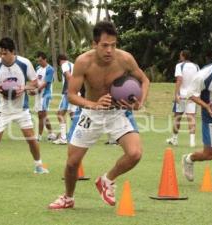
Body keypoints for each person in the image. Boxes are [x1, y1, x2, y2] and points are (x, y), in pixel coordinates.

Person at [48, 21, 150, 209]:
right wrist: (93, 104)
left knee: (135, 154)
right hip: (90, 114)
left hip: (118, 113)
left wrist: (139, 102)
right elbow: (71, 95)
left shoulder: (125, 59)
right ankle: (68, 198)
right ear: (94, 44)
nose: (110, 50)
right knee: (72, 163)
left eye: (113, 45)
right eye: (104, 45)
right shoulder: (83, 62)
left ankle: (106, 180)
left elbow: (144, 80)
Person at [0, 37, 48, 174]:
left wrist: (23, 88)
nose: (2, 56)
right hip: (3, 108)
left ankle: (38, 165)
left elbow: (35, 83)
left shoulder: (24, 63)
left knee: (31, 139)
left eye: (5, 53)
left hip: (21, 109)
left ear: (12, 52)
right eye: (0, 53)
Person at [182, 41, 212, 182]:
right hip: (211, 117)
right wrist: (207, 106)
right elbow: (191, 94)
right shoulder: (203, 75)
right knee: (209, 154)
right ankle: (189, 159)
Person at [166, 50, 200, 147]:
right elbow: (199, 81)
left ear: (183, 56)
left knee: (177, 117)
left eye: (180, 55)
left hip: (181, 95)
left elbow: (179, 79)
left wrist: (176, 94)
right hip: (192, 96)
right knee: (191, 118)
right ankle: (192, 142)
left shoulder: (179, 65)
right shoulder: (196, 66)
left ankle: (174, 139)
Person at [52, 54, 78, 145]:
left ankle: (63, 138)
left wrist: (69, 89)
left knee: (60, 114)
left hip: (69, 92)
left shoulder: (64, 65)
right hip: (77, 92)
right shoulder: (73, 65)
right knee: (73, 114)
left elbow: (68, 76)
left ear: (60, 61)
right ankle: (77, 136)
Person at [32, 51, 57, 141]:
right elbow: (35, 81)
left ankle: (38, 136)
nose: (39, 62)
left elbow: (46, 83)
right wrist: (31, 89)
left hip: (45, 95)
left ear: (45, 59)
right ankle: (51, 133)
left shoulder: (50, 69)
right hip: (38, 94)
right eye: (38, 61)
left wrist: (36, 90)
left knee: (40, 115)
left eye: (41, 60)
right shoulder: (38, 68)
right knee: (44, 115)